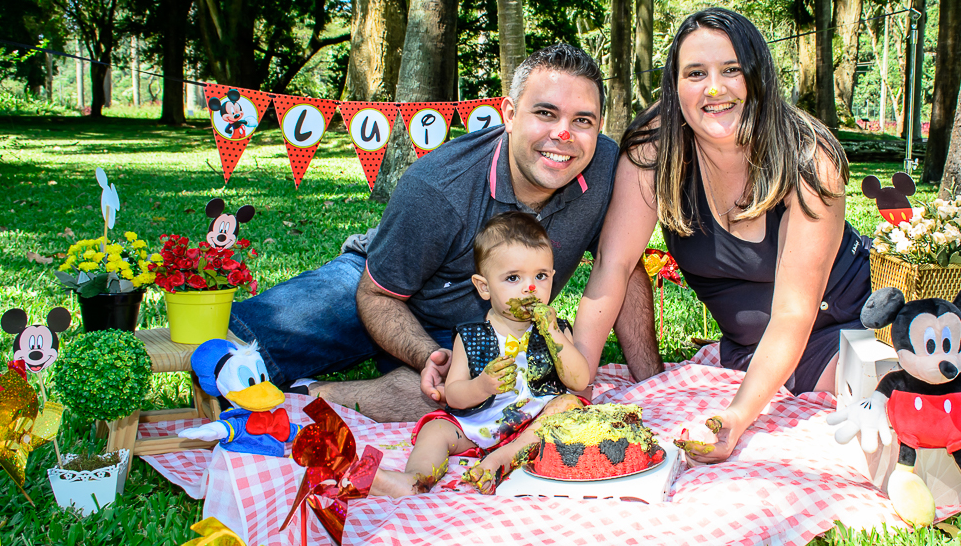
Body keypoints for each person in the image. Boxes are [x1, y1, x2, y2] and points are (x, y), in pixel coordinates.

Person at [229, 44, 660, 423]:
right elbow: (376, 294)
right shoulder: (439, 186)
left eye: (582, 120)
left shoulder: (604, 168)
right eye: (545, 113)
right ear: (510, 114)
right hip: (380, 283)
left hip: (483, 322)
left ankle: (315, 395)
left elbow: (621, 265)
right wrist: (427, 356)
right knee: (240, 345)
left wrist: (652, 383)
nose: (563, 134)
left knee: (490, 398)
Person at [572, 8, 871, 464]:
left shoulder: (809, 160)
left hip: (839, 328)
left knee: (872, 424)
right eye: (696, 73)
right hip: (746, 349)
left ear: (758, 76)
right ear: (674, 87)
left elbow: (793, 312)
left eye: (731, 69)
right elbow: (613, 266)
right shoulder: (654, 148)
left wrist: (737, 416)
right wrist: (577, 386)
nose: (714, 88)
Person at [371, 212, 588, 498]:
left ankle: (504, 458)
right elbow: (454, 395)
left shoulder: (556, 329)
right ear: (484, 287)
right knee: (435, 430)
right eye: (513, 277)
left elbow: (579, 381)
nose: (530, 287)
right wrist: (482, 386)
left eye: (541, 276)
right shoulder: (472, 336)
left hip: (537, 420)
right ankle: (414, 479)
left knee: (569, 405)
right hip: (482, 423)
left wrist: (553, 333)